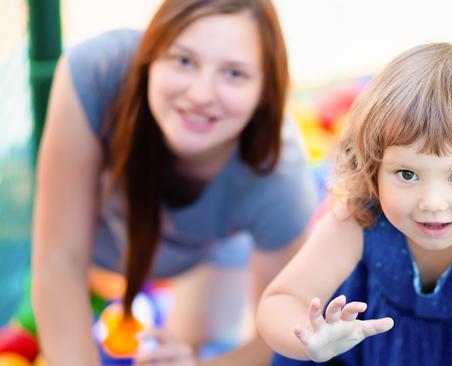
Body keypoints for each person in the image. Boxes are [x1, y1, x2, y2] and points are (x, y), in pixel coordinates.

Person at [30, 0, 318, 365]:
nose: (200, 95)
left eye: (234, 74)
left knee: (194, 344)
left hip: (207, 253)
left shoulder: (279, 176)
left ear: (265, 91)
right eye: (183, 60)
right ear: (149, 59)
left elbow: (283, 336)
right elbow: (59, 262)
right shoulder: (97, 72)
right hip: (102, 247)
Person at [256, 43, 452, 365]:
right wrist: (310, 342)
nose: (432, 203)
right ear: (374, 166)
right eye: (407, 174)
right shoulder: (362, 213)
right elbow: (281, 300)